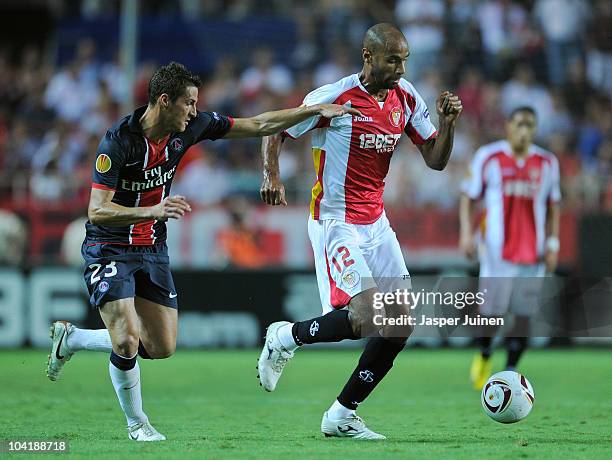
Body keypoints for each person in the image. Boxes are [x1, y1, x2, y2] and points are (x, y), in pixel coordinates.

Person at [45, 61, 358, 441]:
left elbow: (257, 124)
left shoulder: (190, 127)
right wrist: (152, 210)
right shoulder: (118, 141)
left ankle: (74, 338)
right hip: (108, 246)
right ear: (164, 101)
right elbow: (97, 209)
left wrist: (312, 111)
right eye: (188, 103)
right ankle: (137, 424)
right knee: (127, 339)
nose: (195, 111)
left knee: (159, 347)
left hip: (152, 248)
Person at [257, 23, 462, 440]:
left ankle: (341, 414)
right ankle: (285, 337)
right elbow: (277, 129)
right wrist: (272, 175)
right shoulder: (334, 96)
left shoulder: (407, 99)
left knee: (400, 322)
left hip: (376, 224)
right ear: (368, 57)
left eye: (405, 59)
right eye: (393, 59)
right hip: (336, 222)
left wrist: (447, 123)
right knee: (367, 315)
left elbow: (435, 160)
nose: (401, 68)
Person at [459, 106, 561, 390]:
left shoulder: (547, 162)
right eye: (519, 124)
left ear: (535, 129)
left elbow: (553, 206)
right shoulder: (488, 156)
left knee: (523, 314)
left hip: (534, 251)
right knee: (491, 313)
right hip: (495, 252)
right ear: (508, 126)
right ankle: (484, 353)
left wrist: (553, 244)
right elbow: (468, 197)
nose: (524, 131)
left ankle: (511, 371)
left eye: (530, 125)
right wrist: (466, 233)